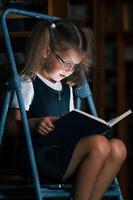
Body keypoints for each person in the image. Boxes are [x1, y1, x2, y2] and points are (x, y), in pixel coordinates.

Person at [7, 20, 127, 200]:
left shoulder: (67, 88)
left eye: (75, 66)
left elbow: (71, 125)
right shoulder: (28, 81)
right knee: (99, 144)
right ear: (46, 50)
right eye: (66, 62)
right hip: (39, 158)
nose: (69, 70)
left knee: (118, 148)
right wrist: (34, 123)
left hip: (63, 155)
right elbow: (8, 127)